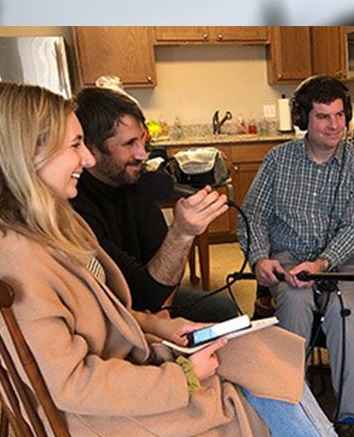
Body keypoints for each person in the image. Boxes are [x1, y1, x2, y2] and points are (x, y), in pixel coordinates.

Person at [0, 82, 351, 437]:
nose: (86, 160)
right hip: (103, 423)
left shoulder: (51, 222)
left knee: (260, 349)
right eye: (74, 146)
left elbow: (109, 305)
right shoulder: (8, 254)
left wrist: (161, 327)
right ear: (26, 153)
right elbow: (70, 383)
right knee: (250, 390)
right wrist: (184, 377)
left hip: (127, 372)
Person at [238, 75, 354, 424]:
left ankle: (352, 417)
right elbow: (253, 213)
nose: (334, 126)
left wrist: (322, 262)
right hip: (286, 256)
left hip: (341, 260)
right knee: (295, 301)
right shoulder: (277, 160)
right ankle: (292, 410)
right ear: (303, 119)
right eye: (322, 117)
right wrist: (258, 257)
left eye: (338, 115)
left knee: (341, 310)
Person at [71, 86, 239, 322]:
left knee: (223, 310)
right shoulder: (76, 206)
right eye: (129, 144)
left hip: (149, 297)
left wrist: (165, 311)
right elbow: (138, 295)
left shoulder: (134, 185)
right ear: (91, 149)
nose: (142, 154)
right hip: (110, 310)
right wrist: (182, 233)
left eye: (143, 140)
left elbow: (163, 264)